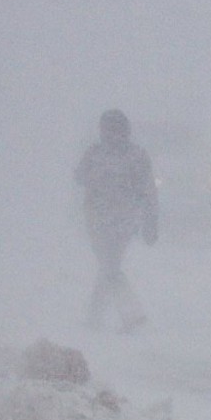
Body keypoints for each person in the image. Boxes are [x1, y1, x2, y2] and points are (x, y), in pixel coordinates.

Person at [75, 109, 159, 332]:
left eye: (116, 129)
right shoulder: (95, 153)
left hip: (122, 222)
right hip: (97, 221)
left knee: (109, 267)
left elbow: (148, 191)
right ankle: (98, 317)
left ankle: (127, 315)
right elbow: (79, 176)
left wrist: (151, 221)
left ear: (125, 130)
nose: (112, 134)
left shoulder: (136, 156)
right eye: (107, 129)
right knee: (109, 267)